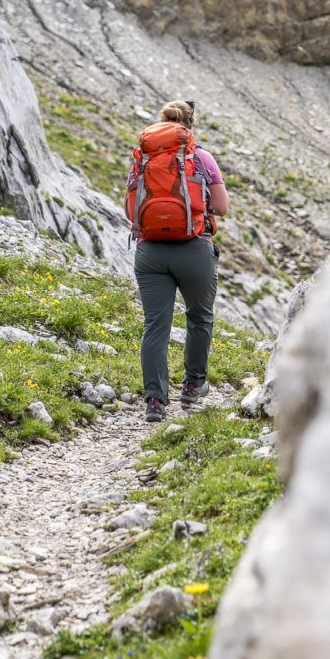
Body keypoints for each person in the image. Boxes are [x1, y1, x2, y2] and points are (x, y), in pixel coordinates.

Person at [128, 100, 230, 423]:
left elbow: (130, 208)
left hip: (150, 252)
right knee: (199, 316)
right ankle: (192, 385)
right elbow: (222, 207)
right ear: (190, 127)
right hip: (193, 248)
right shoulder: (201, 158)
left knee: (155, 325)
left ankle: (155, 403)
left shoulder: (144, 157)